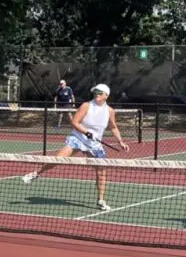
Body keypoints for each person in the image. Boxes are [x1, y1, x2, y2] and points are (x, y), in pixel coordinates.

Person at [21, 84, 130, 212]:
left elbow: (113, 127)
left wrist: (120, 141)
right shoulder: (86, 106)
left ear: (106, 95)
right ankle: (35, 174)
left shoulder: (110, 111)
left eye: (100, 93)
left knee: (101, 171)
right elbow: (74, 122)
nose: (97, 94)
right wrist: (86, 132)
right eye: (95, 92)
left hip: (94, 144)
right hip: (78, 138)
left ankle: (100, 200)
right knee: (58, 159)